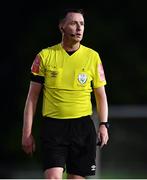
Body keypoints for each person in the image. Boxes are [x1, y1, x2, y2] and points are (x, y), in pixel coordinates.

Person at [22, 8, 109, 179]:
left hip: (82, 128)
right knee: (53, 177)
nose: (79, 28)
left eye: (82, 24)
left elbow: (101, 95)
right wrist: (26, 133)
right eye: (73, 23)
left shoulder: (93, 57)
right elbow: (32, 98)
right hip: (54, 128)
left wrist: (104, 124)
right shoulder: (45, 56)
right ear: (62, 26)